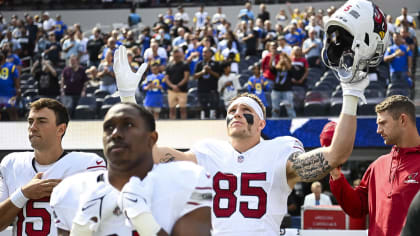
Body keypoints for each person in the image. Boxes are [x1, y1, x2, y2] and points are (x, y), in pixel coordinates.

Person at [113, 1, 388, 233]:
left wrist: (351, 94)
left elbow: (336, 154)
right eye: (232, 111)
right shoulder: (208, 152)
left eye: (247, 112)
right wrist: (128, 100)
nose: (237, 114)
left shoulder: (280, 151)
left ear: (261, 124)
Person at [50, 102, 212, 236]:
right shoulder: (69, 191)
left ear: (152, 138)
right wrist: (81, 227)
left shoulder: (187, 179)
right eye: (108, 127)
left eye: (128, 125)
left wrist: (142, 218)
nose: (115, 134)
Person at [0, 98, 106, 235]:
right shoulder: (11, 163)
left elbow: (104, 219)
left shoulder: (88, 164)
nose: (33, 127)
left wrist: (71, 192)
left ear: (60, 129)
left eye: (41, 121)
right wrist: (23, 193)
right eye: (30, 121)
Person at [329, 95, 420, 236]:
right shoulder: (377, 165)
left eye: (383, 123)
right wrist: (336, 175)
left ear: (402, 120)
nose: (378, 130)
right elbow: (356, 208)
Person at [193, 46, 221, 120]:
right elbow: (195, 76)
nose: (204, 54)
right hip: (202, 89)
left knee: (213, 106)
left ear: (210, 53)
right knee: (203, 106)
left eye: (206, 52)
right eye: (203, 52)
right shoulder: (199, 64)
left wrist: (210, 71)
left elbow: (218, 76)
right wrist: (203, 72)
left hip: (212, 88)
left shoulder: (216, 64)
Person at [164, 47, 190, 119]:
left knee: (183, 109)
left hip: (182, 90)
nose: (176, 57)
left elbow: (186, 77)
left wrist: (177, 86)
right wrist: (173, 86)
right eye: (175, 56)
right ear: (173, 56)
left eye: (178, 56)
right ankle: (172, 124)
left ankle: (184, 124)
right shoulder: (169, 65)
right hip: (171, 90)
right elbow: (166, 78)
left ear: (181, 55)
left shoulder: (185, 65)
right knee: (172, 109)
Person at [0, 52, 20, 121]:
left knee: (12, 112)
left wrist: (18, 89)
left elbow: (16, 78)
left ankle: (15, 130)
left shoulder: (11, 66)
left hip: (9, 94)